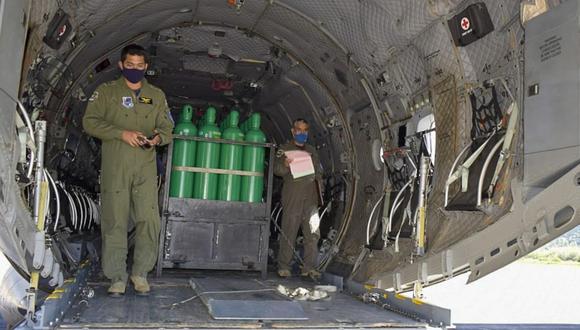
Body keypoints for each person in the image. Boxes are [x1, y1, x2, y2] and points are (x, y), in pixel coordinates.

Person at [82, 44, 174, 297]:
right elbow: (89, 122)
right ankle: (117, 277)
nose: (135, 69)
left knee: (148, 220)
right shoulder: (107, 92)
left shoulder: (156, 95)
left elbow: (167, 128)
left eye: (140, 65)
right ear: (121, 65)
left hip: (145, 167)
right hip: (116, 165)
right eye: (130, 65)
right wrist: (121, 133)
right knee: (115, 220)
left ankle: (140, 273)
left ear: (146, 67)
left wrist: (157, 139)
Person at [274, 118, 323, 279]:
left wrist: (319, 189)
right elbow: (277, 170)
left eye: (305, 130)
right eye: (299, 130)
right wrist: (286, 165)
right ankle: (284, 266)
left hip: (310, 198)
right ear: (293, 131)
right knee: (290, 230)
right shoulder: (284, 149)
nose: (302, 133)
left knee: (313, 232)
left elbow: (318, 172)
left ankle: (309, 267)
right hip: (293, 196)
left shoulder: (312, 150)